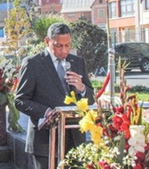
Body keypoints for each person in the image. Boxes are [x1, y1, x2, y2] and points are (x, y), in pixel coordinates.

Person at [14, 22, 95, 169]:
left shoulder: (77, 62)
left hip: (75, 140)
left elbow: (90, 98)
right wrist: (47, 113)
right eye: (58, 46)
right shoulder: (33, 63)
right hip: (45, 142)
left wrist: (81, 87)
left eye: (67, 45)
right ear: (47, 41)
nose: (64, 51)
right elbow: (20, 100)